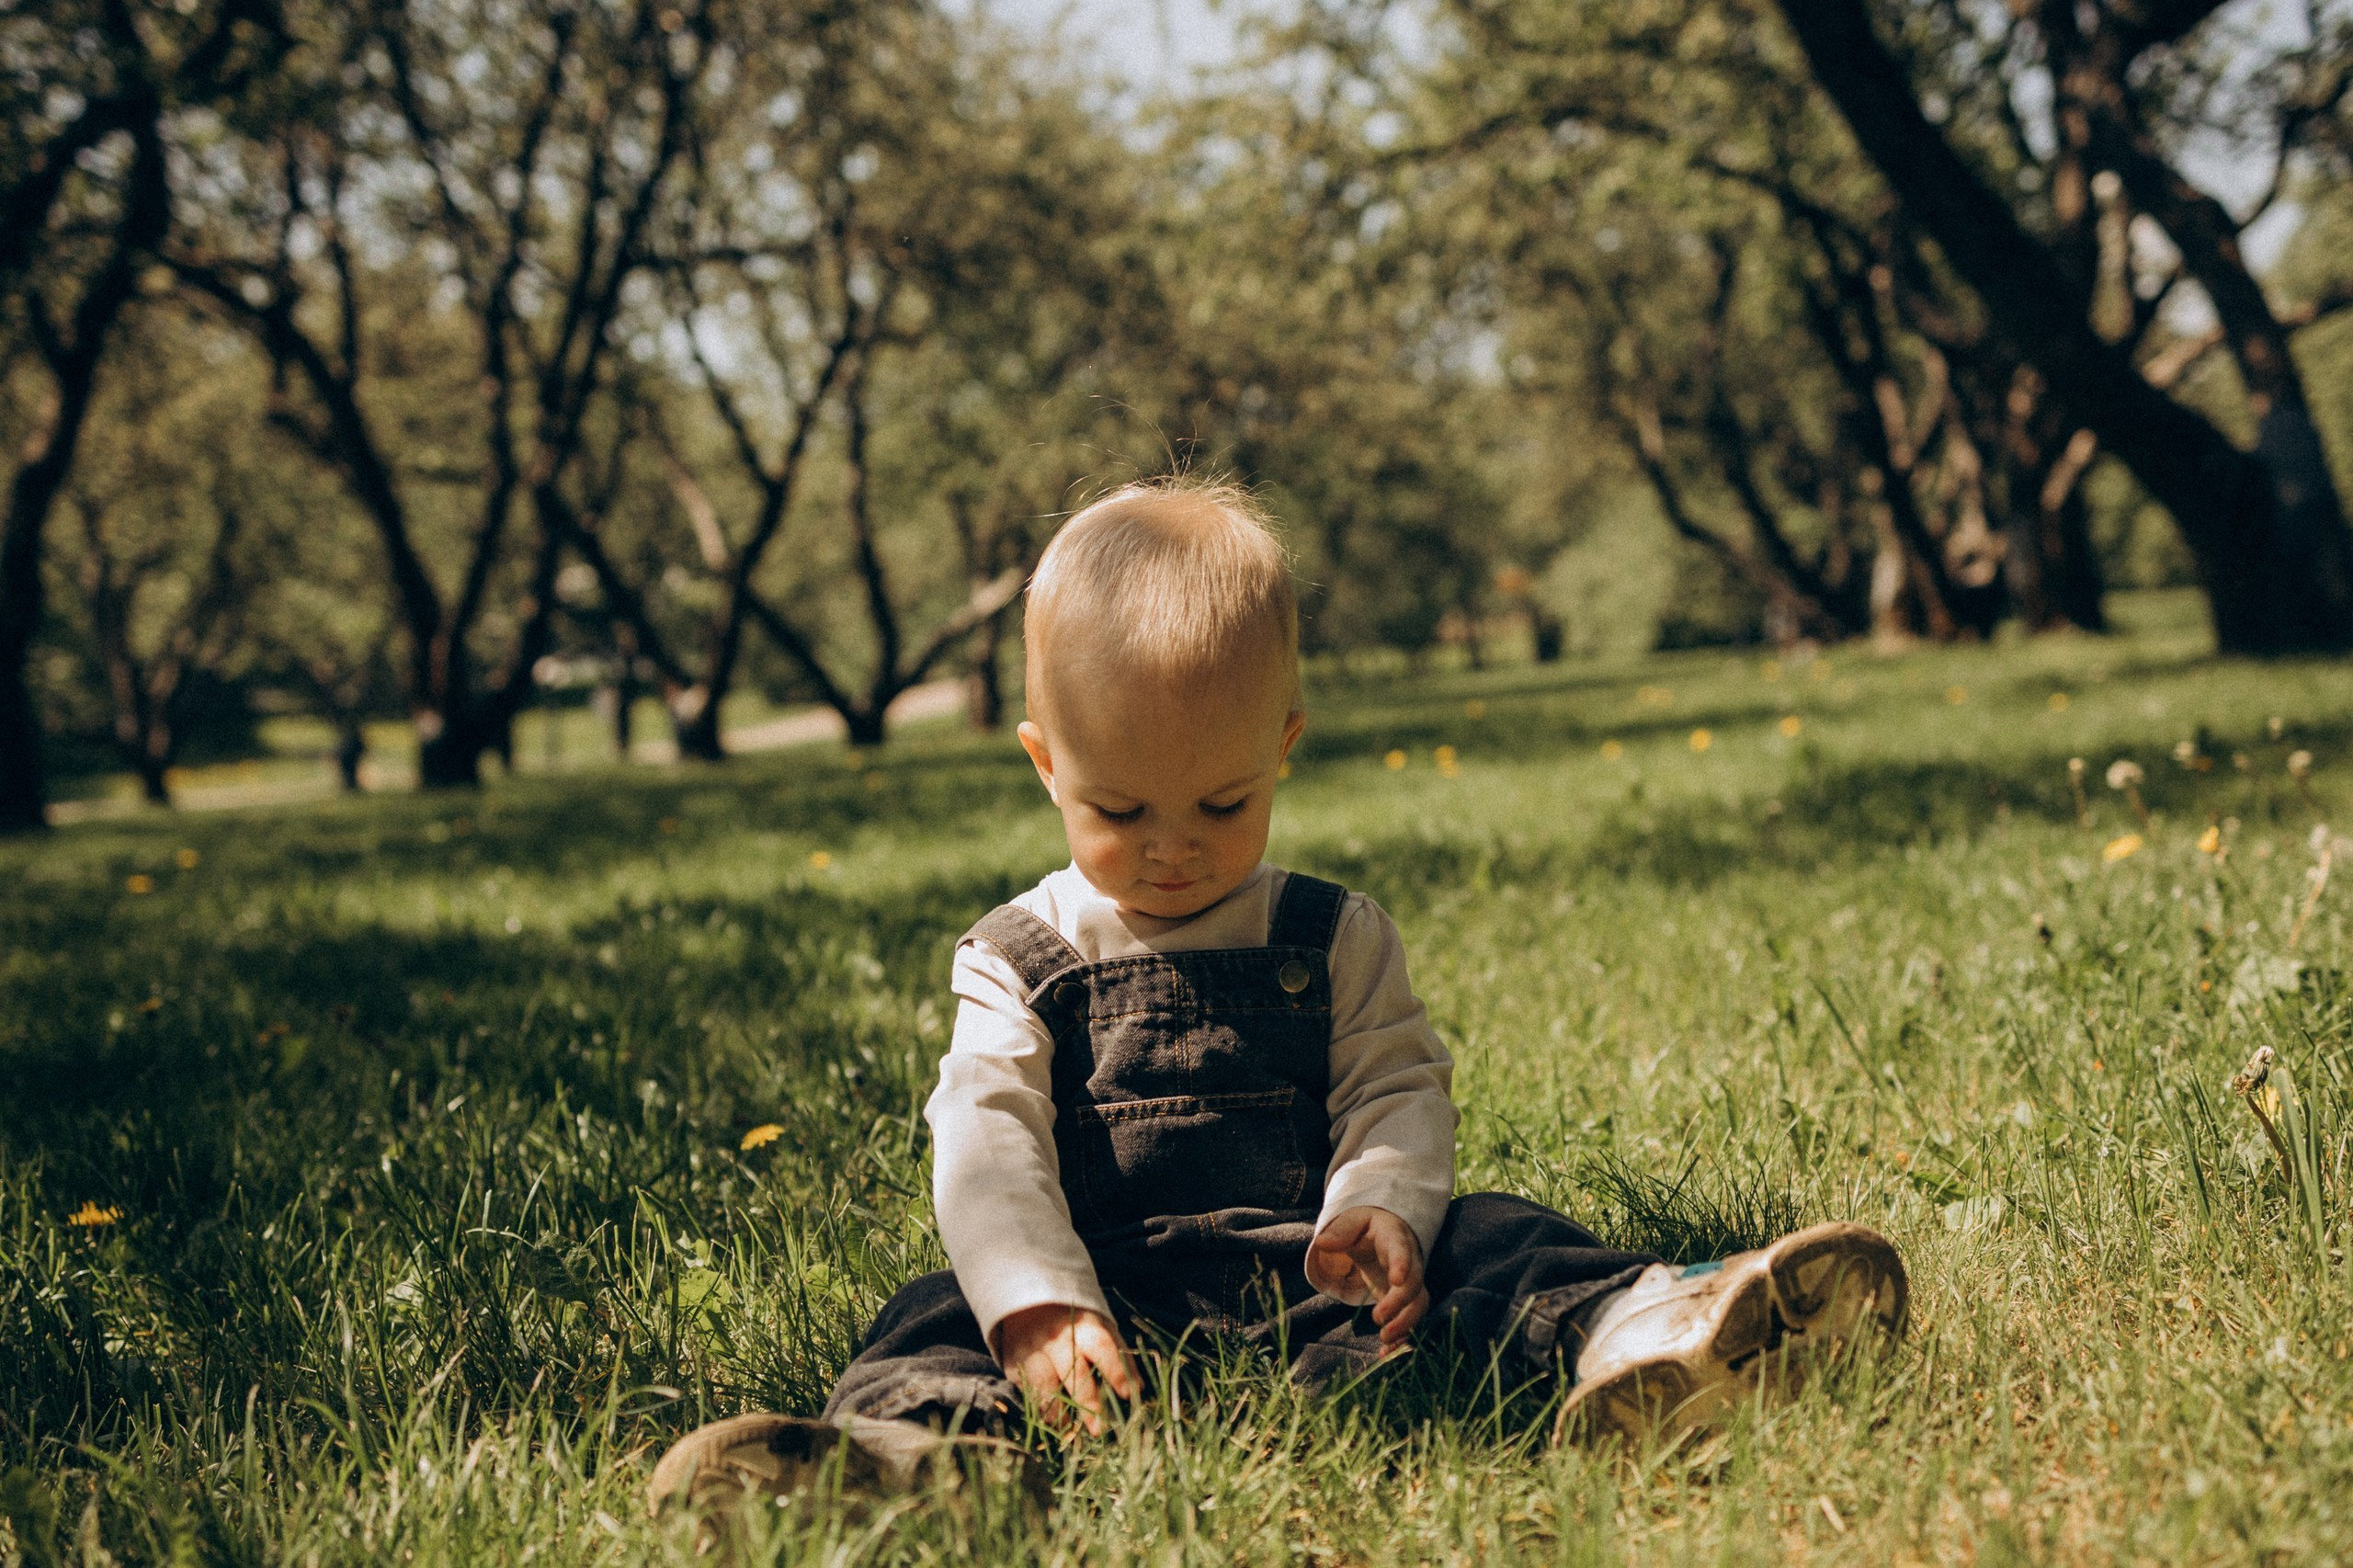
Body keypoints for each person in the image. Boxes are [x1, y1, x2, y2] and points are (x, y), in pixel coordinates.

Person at [648, 479, 1907, 1511]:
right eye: (1120, 809)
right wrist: (1035, 1303)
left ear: (1283, 745)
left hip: (1331, 1300)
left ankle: (1654, 1338)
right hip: (1107, 1313)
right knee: (930, 1315)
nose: (1173, 847)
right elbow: (985, 1139)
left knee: (1500, 1233)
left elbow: (1395, 1087)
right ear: (1045, 764)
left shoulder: (1333, 933)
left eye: (1223, 803)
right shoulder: (1017, 954)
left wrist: (1384, 1208)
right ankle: (916, 1462)